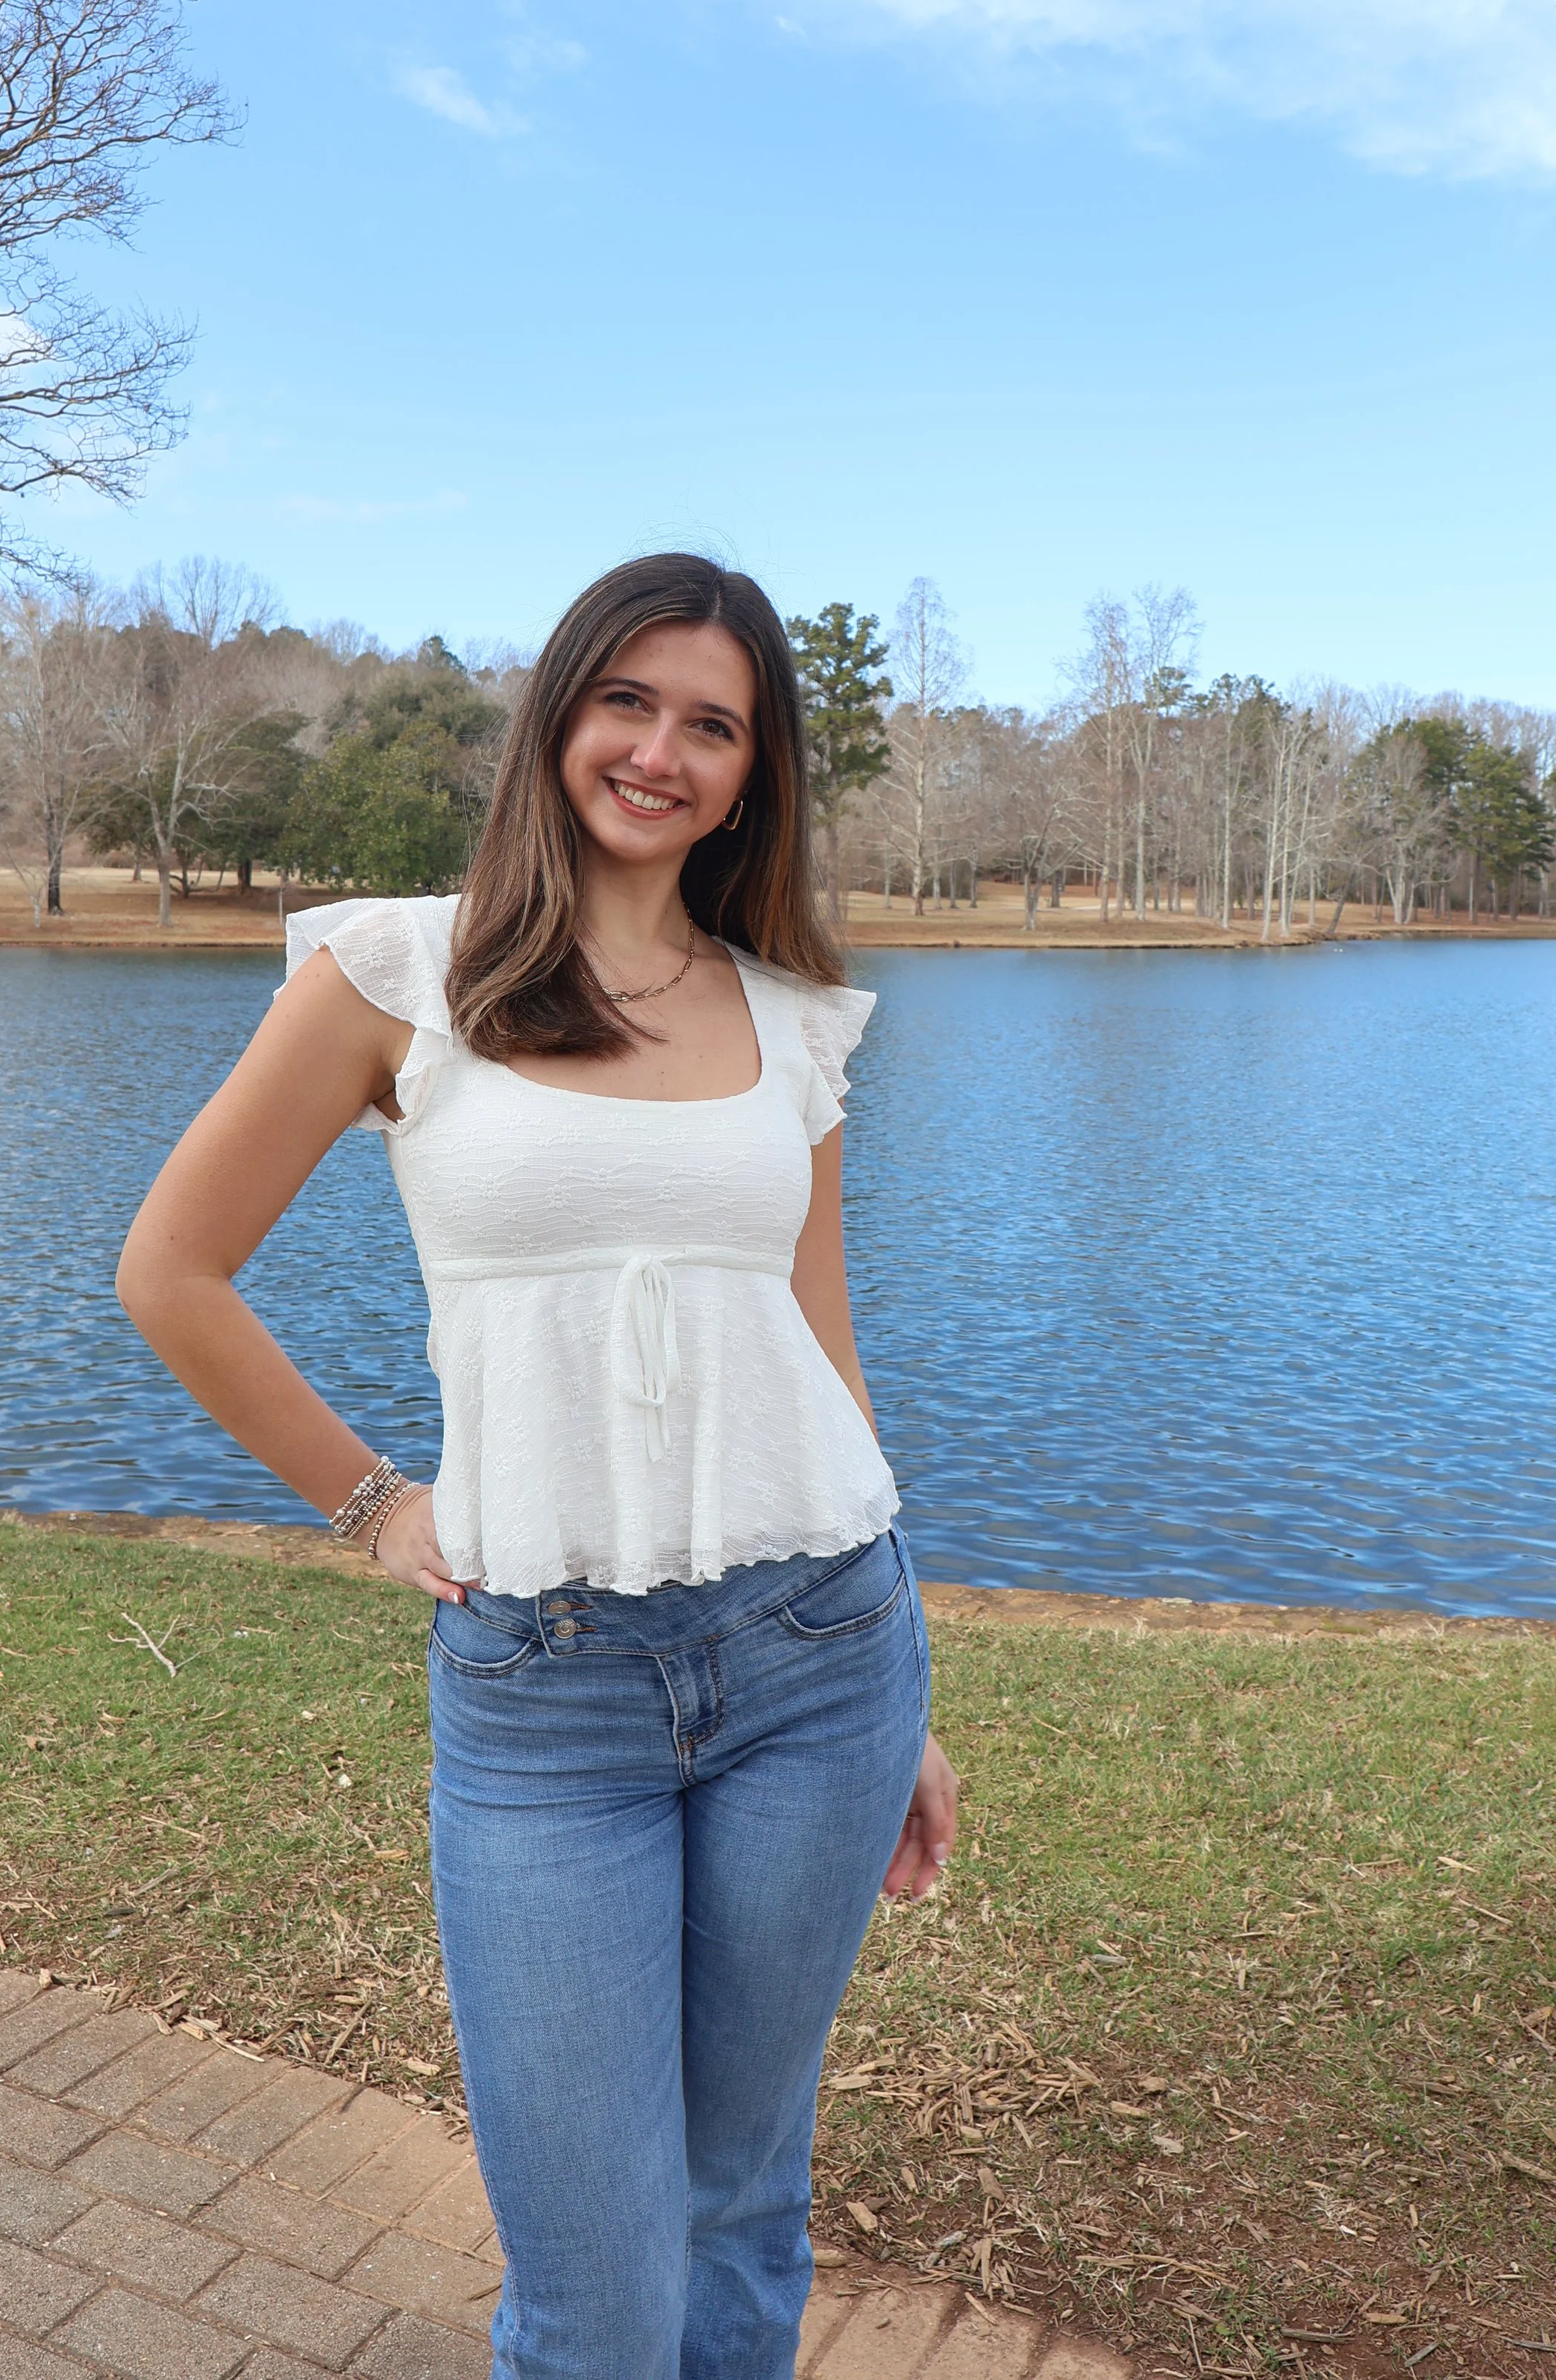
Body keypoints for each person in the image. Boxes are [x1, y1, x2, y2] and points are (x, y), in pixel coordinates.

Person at [116, 552, 959, 2380]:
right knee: (589, 2289)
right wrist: (372, 1503)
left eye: (713, 724)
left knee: (741, 2205)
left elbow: (820, 1342)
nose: (662, 751)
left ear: (754, 771)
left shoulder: (792, 1017)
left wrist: (914, 1706)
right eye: (628, 701)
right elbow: (168, 1273)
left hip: (824, 1656)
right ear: (559, 714)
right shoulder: (397, 973)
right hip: (544, 1695)